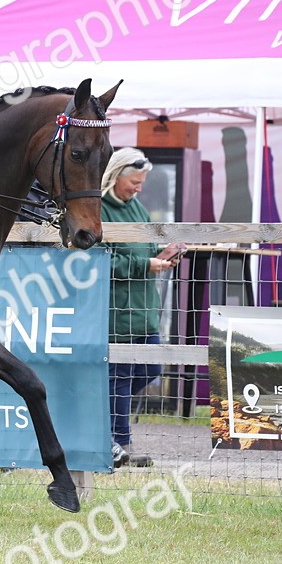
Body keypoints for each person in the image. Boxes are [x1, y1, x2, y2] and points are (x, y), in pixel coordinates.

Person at [100, 147, 175, 469]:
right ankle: (118, 443)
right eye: (134, 182)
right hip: (118, 312)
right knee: (119, 376)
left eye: (141, 183)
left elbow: (146, 247)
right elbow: (101, 261)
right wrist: (146, 265)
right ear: (115, 176)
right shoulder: (98, 210)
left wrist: (164, 252)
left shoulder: (138, 209)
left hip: (144, 313)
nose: (138, 188)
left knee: (151, 369)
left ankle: (104, 426)